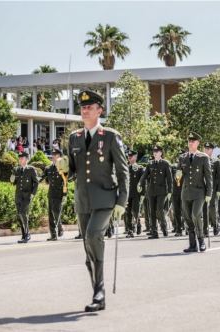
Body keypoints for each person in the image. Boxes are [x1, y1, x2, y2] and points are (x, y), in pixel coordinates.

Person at [62, 90, 129, 312]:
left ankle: (99, 292)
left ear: (100, 110)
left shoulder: (110, 136)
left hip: (105, 199)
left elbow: (123, 171)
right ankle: (97, 295)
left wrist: (122, 201)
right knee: (87, 247)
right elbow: (73, 171)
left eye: (90, 107)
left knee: (93, 235)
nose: (85, 110)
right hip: (83, 200)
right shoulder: (74, 138)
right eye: (82, 107)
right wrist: (64, 168)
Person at [177, 132, 212, 253]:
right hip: (186, 192)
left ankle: (201, 241)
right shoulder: (182, 157)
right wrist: (178, 175)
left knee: (196, 215)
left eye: (193, 141)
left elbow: (208, 177)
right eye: (189, 141)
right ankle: (192, 245)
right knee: (187, 218)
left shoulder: (203, 157)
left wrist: (209, 193)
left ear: (197, 143)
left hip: (199, 192)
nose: (190, 143)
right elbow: (179, 173)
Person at [139, 146, 173, 239]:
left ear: (161, 153)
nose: (155, 153)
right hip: (151, 191)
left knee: (159, 210)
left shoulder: (165, 164)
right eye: (154, 151)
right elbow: (145, 175)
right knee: (152, 212)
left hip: (162, 191)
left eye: (157, 151)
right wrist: (140, 183)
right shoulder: (150, 164)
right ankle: (154, 232)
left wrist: (170, 191)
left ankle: (164, 227)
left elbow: (169, 179)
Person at [10, 151, 39, 243]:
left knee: (23, 213)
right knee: (19, 215)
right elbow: (13, 182)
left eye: (22, 158)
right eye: (19, 158)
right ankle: (23, 235)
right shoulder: (17, 170)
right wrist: (13, 175)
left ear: (26, 159)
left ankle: (27, 234)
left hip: (27, 196)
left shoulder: (31, 169)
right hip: (18, 196)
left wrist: (32, 194)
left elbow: (36, 182)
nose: (20, 160)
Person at [41, 148, 66, 240]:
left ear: (60, 157)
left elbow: (66, 181)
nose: (54, 157)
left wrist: (65, 194)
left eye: (56, 155)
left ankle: (60, 227)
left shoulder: (63, 168)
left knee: (56, 212)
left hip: (59, 193)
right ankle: (53, 235)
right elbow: (44, 178)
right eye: (53, 155)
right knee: (51, 215)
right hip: (51, 193)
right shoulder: (48, 168)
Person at [203, 143, 220, 236]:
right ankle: (205, 229)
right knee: (203, 209)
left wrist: (219, 189)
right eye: (205, 149)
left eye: (208, 149)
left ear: (212, 150)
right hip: (202, 189)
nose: (206, 150)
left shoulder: (216, 161)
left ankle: (215, 224)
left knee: (212, 208)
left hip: (213, 189)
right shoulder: (200, 160)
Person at [125, 151, 144, 238]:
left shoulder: (140, 168)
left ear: (135, 157)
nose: (129, 157)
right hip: (128, 194)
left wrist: (142, 193)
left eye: (131, 156)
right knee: (128, 212)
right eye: (128, 156)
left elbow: (143, 182)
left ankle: (138, 222)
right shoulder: (126, 168)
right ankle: (130, 230)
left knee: (135, 211)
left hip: (136, 194)